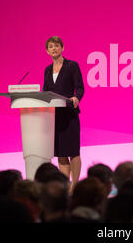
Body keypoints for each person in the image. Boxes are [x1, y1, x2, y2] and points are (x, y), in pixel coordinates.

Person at [43, 36, 84, 193]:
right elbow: (45, 91)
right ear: (47, 51)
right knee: (61, 153)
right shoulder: (47, 69)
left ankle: (75, 187)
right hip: (54, 116)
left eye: (56, 46)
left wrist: (76, 98)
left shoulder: (72, 65)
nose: (54, 49)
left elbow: (80, 87)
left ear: (62, 48)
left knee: (73, 151)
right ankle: (65, 187)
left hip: (69, 113)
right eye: (51, 47)